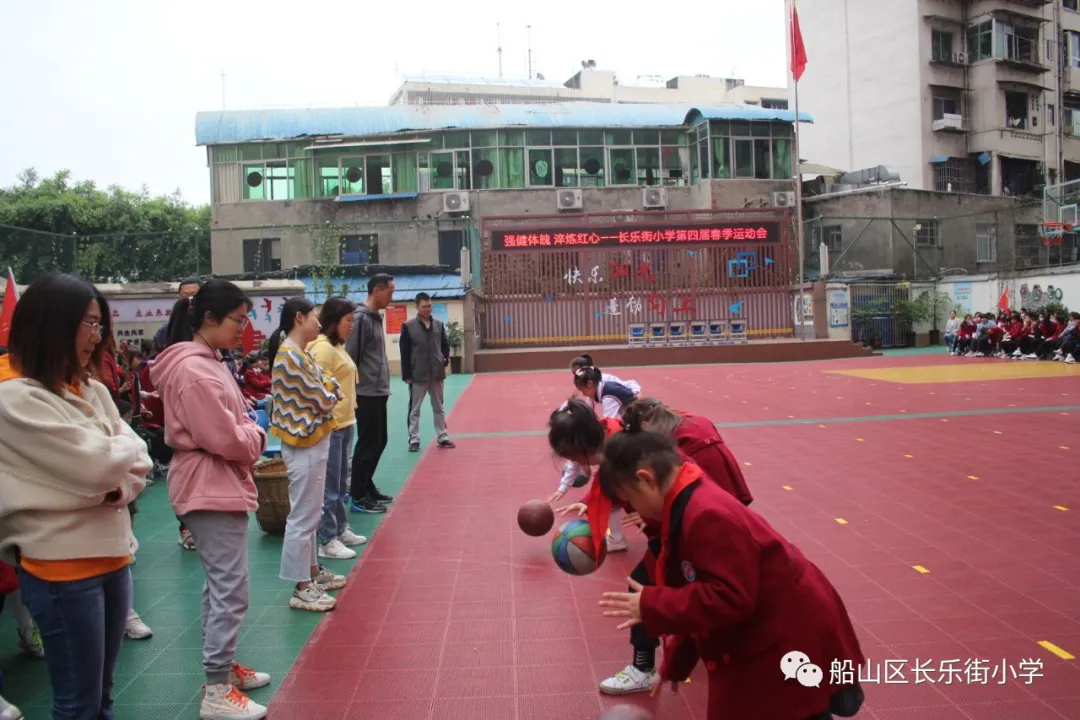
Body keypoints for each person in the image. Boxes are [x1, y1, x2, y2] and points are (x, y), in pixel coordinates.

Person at [596, 424, 865, 720]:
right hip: (767, 628)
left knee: (794, 708)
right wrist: (675, 663)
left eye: (631, 500)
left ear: (645, 480)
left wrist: (652, 603)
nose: (636, 510)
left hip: (785, 633)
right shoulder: (681, 504)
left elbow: (729, 597)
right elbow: (695, 587)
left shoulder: (706, 514)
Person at [0, 273, 151, 719]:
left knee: (100, 696)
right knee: (77, 703)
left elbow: (134, 465)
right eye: (88, 323)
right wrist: (117, 465)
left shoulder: (92, 389)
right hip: (61, 570)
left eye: (98, 324)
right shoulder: (16, 398)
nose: (97, 336)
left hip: (113, 560)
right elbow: (101, 464)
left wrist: (114, 481)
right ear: (51, 324)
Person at [151, 279, 272, 720]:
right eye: (238, 320)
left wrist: (244, 427)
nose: (244, 328)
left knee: (220, 585)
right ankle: (217, 689)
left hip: (213, 481)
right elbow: (226, 435)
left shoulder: (209, 361)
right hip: (208, 482)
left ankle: (221, 670)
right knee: (230, 588)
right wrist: (255, 432)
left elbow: (232, 420)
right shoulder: (194, 370)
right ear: (208, 318)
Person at [268, 297, 346, 612]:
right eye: (313, 316)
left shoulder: (299, 353)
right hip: (303, 443)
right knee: (302, 516)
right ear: (299, 318)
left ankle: (311, 574)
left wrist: (329, 390)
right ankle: (301, 587)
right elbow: (324, 395)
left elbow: (327, 386)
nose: (318, 321)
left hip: (312, 440)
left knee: (310, 514)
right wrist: (329, 392)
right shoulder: (290, 356)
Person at [307, 297, 368, 561]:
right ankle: (327, 539)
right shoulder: (322, 349)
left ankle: (341, 529)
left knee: (340, 482)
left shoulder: (337, 346)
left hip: (344, 422)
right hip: (330, 425)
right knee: (330, 484)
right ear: (333, 322)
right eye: (348, 321)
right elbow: (317, 388)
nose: (351, 326)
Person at [346, 273, 395, 514]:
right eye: (390, 292)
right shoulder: (361, 318)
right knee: (368, 442)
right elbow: (351, 356)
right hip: (365, 391)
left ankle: (366, 485)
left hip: (378, 389)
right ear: (376, 290)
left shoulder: (375, 318)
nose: (391, 297)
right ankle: (357, 495)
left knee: (380, 440)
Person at [400, 292, 455, 453]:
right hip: (418, 374)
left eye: (429, 306)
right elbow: (405, 352)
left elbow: (444, 344)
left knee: (439, 407)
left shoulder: (438, 324)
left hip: (437, 373)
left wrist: (444, 359)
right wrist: (407, 374)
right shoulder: (408, 326)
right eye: (424, 306)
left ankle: (442, 436)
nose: (427, 309)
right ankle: (414, 439)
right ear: (416, 307)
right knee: (415, 409)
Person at [154, 278, 200, 349]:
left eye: (193, 295)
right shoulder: (165, 331)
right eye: (185, 296)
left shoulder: (212, 328)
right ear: (179, 298)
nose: (189, 300)